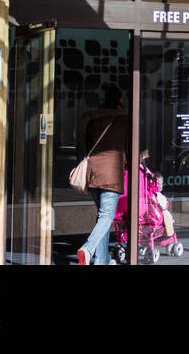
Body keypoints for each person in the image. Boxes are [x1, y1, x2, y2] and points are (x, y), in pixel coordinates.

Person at [77, 84, 129, 265]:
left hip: (93, 173)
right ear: (119, 101)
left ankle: (102, 260)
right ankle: (88, 249)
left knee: (103, 217)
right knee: (106, 217)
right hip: (111, 174)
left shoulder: (93, 119)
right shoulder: (123, 120)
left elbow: (84, 144)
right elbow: (129, 147)